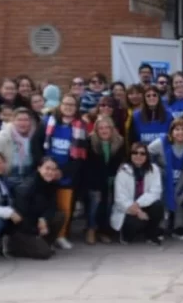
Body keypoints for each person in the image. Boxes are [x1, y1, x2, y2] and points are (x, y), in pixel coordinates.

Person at [42, 94, 88, 250]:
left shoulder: (80, 126)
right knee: (47, 205)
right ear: (60, 105)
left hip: (67, 174)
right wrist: (49, 169)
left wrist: (61, 172)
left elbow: (80, 156)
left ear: (76, 108)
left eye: (72, 105)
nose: (68, 107)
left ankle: (61, 236)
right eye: (66, 104)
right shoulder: (49, 121)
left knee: (65, 207)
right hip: (47, 171)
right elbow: (42, 146)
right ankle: (47, 236)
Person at [8, 157, 66, 259]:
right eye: (47, 168)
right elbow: (21, 216)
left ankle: (44, 243)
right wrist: (35, 230)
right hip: (22, 228)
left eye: (53, 169)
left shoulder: (51, 184)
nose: (50, 172)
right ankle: (13, 245)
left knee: (59, 216)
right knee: (44, 253)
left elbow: (53, 207)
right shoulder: (26, 186)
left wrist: (44, 219)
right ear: (39, 168)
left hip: (36, 223)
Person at [149, 118, 183, 240]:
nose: (180, 132)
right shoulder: (161, 143)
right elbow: (146, 153)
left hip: (179, 181)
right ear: (171, 132)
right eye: (177, 129)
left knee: (181, 195)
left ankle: (178, 227)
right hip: (161, 181)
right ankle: (161, 227)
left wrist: (177, 189)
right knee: (163, 195)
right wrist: (156, 169)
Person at [111, 142, 164, 245]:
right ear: (130, 155)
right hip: (127, 209)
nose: (138, 156)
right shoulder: (123, 171)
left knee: (158, 206)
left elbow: (155, 192)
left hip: (141, 205)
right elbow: (120, 198)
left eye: (142, 153)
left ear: (147, 156)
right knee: (134, 224)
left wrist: (138, 204)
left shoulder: (154, 169)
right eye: (135, 153)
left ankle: (151, 235)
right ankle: (126, 235)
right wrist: (137, 211)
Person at [84, 116, 125, 245]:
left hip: (112, 179)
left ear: (112, 129)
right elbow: (88, 165)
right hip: (93, 179)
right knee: (96, 202)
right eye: (101, 128)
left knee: (108, 205)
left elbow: (120, 162)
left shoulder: (120, 141)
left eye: (107, 127)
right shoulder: (90, 141)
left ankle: (104, 231)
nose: (104, 130)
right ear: (96, 130)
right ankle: (91, 229)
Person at [0, 108, 41, 195]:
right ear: (13, 121)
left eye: (26, 120)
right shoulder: (0, 138)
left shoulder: (35, 136)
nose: (23, 123)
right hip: (8, 176)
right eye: (19, 120)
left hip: (29, 175)